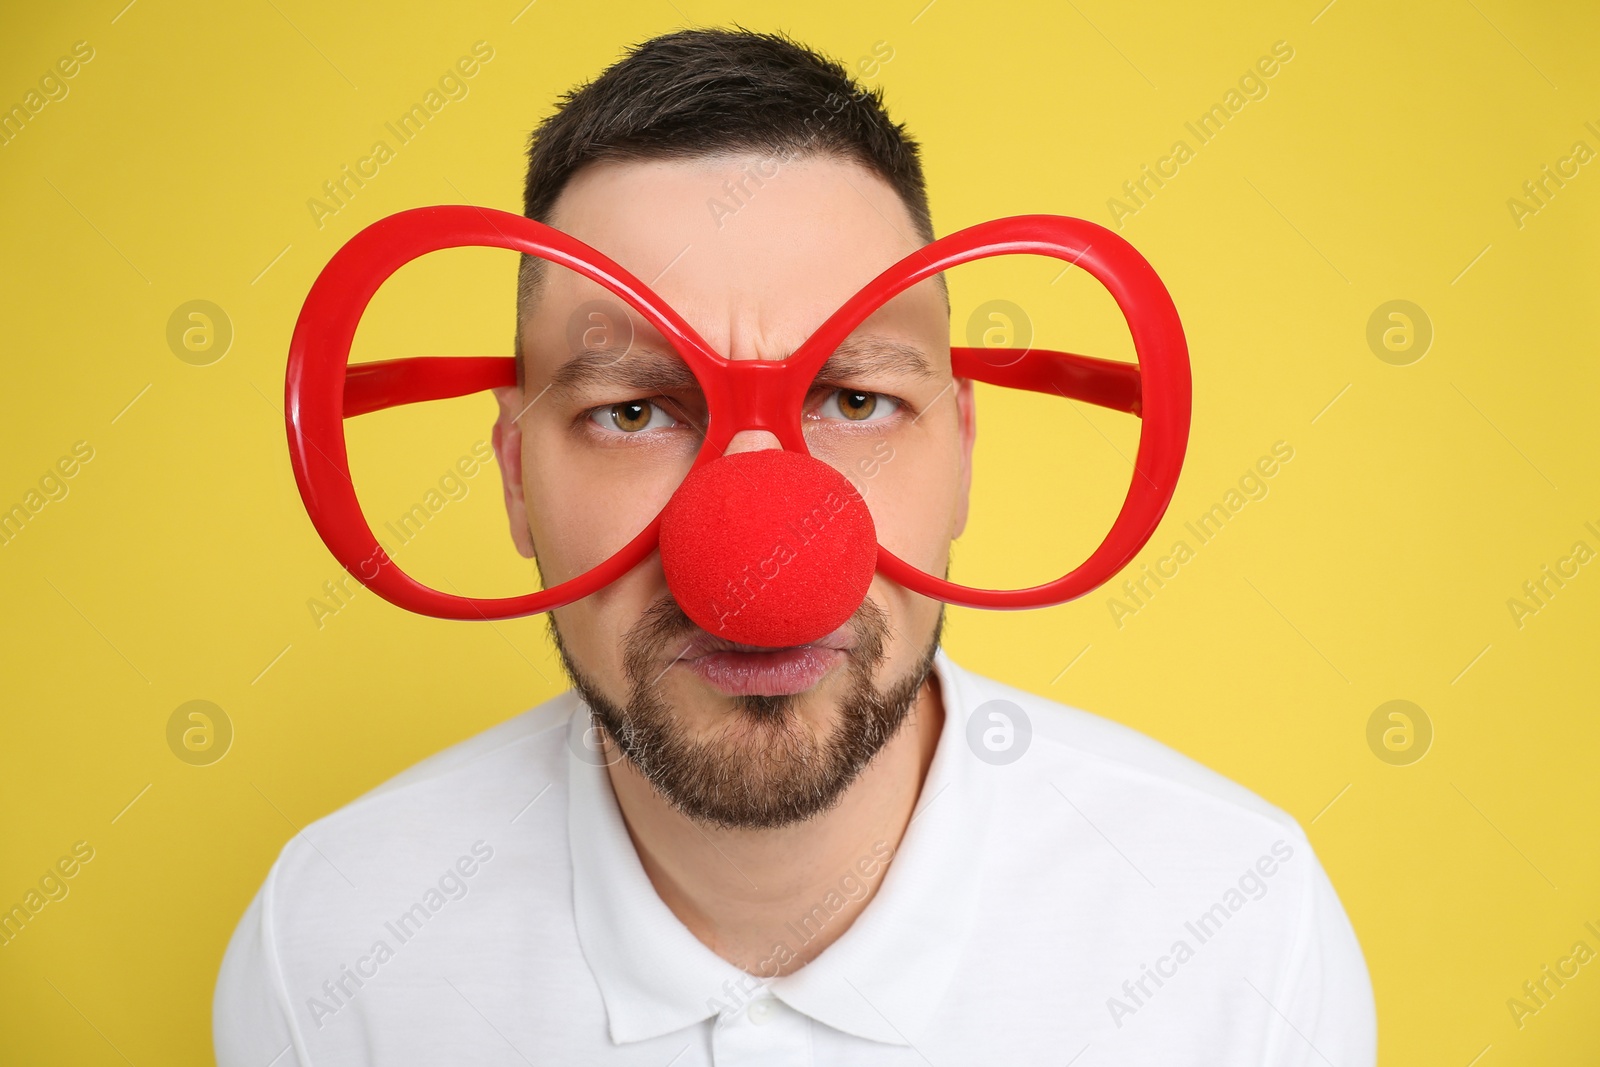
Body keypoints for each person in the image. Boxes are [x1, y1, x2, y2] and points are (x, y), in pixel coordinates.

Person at [215, 26, 1376, 1065]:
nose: (758, 551)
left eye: (855, 398)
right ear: (516, 476)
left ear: (963, 451)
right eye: (634, 409)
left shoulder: (1237, 926)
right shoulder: (332, 949)